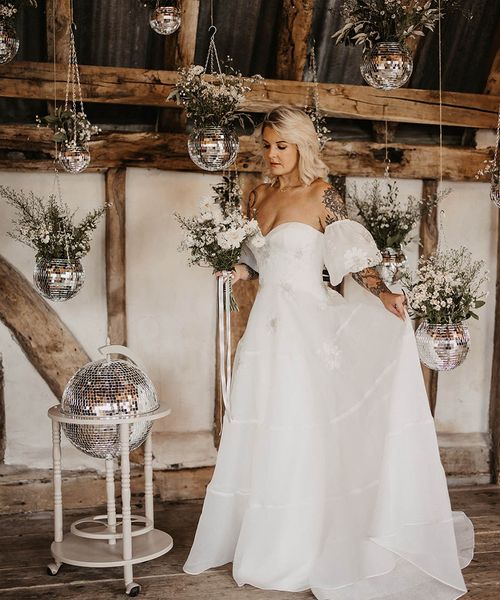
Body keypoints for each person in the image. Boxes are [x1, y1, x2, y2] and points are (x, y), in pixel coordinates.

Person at [183, 106, 473, 600]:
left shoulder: (322, 195)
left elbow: (352, 258)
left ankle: (309, 540)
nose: (271, 155)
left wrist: (383, 292)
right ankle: (268, 541)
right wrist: (237, 272)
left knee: (302, 424)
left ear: (301, 147)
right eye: (266, 145)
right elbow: (258, 260)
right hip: (266, 331)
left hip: (307, 326)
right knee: (265, 422)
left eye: (281, 145)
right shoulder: (256, 196)